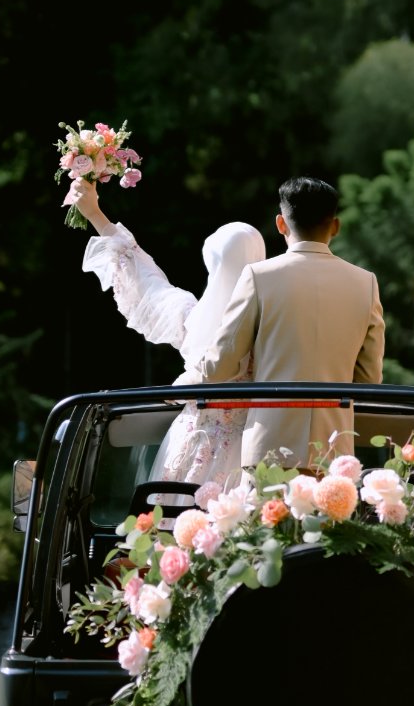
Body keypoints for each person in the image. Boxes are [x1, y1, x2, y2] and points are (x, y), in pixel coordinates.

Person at [65, 175, 265, 488]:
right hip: (258, 449)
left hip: (195, 447)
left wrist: (94, 214)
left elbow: (147, 282)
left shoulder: (195, 320)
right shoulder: (274, 324)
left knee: (176, 515)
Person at [197, 175, 385, 471]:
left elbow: (220, 366)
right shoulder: (366, 283)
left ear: (280, 224)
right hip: (334, 453)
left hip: (270, 449)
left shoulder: (259, 277)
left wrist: (193, 374)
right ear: (335, 226)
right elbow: (370, 380)